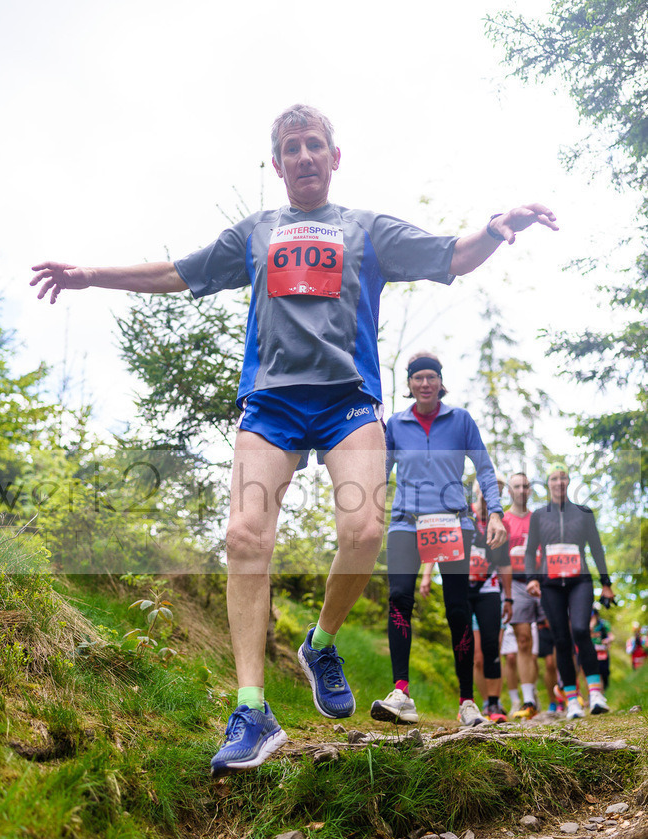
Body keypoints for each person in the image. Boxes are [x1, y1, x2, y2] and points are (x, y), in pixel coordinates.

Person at [31, 103, 558, 773]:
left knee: (365, 530)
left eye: (314, 145)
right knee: (244, 535)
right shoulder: (256, 232)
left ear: (334, 157)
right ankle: (251, 710)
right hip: (271, 405)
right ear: (276, 164)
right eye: (291, 147)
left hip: (349, 403)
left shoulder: (366, 228)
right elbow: (177, 272)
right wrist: (89, 276)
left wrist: (494, 228)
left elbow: (449, 256)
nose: (304, 155)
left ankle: (321, 642)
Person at [369, 350, 508, 728]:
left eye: (431, 377)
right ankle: (401, 692)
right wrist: (367, 509)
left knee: (457, 608)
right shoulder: (395, 425)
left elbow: (485, 469)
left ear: (440, 382)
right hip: (405, 523)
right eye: (418, 378)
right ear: (410, 384)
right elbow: (380, 471)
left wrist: (494, 512)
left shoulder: (460, 420)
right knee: (399, 596)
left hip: (452, 523)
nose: (425, 383)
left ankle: (467, 702)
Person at [525, 462, 615, 719]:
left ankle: (596, 694)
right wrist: (532, 578)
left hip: (580, 581)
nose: (558, 482)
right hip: (550, 584)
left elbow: (596, 548)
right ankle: (572, 700)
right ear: (549, 483)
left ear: (568, 482)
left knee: (580, 630)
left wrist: (606, 583)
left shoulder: (584, 513)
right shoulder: (539, 515)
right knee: (561, 639)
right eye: (553, 478)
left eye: (563, 478)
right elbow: (531, 551)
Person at [467, 480, 512, 722]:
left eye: (496, 490)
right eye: (484, 488)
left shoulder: (499, 524)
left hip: (490, 590)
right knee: (474, 654)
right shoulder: (464, 514)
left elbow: (505, 564)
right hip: (464, 588)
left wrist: (510, 599)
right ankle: (475, 702)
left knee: (491, 647)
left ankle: (495, 704)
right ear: (476, 490)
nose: (488, 494)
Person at [503, 471, 545, 719]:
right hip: (516, 584)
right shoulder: (504, 520)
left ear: (530, 490)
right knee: (523, 640)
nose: (521, 490)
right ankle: (527, 699)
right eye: (516, 486)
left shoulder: (538, 518)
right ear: (510, 491)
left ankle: (565, 693)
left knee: (549, 645)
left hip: (541, 583)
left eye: (525, 486)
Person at [589, 605, 614, 691]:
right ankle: (598, 691)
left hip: (603, 652)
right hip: (591, 652)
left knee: (604, 671)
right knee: (595, 671)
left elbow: (611, 636)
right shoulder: (585, 626)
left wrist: (608, 640)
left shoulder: (603, 624)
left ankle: (605, 688)